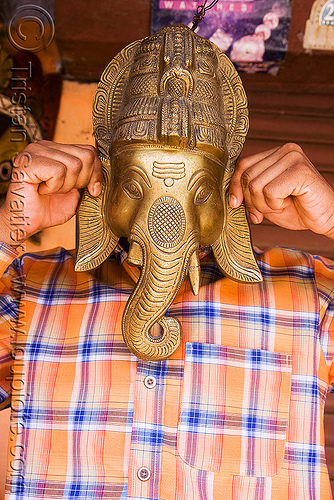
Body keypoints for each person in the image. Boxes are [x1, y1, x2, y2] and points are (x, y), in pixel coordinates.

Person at [0, 24, 334, 500]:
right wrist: (9, 227)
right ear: (105, 181)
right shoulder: (25, 288)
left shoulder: (312, 297)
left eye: (197, 192)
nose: (166, 215)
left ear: (226, 191)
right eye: (136, 187)